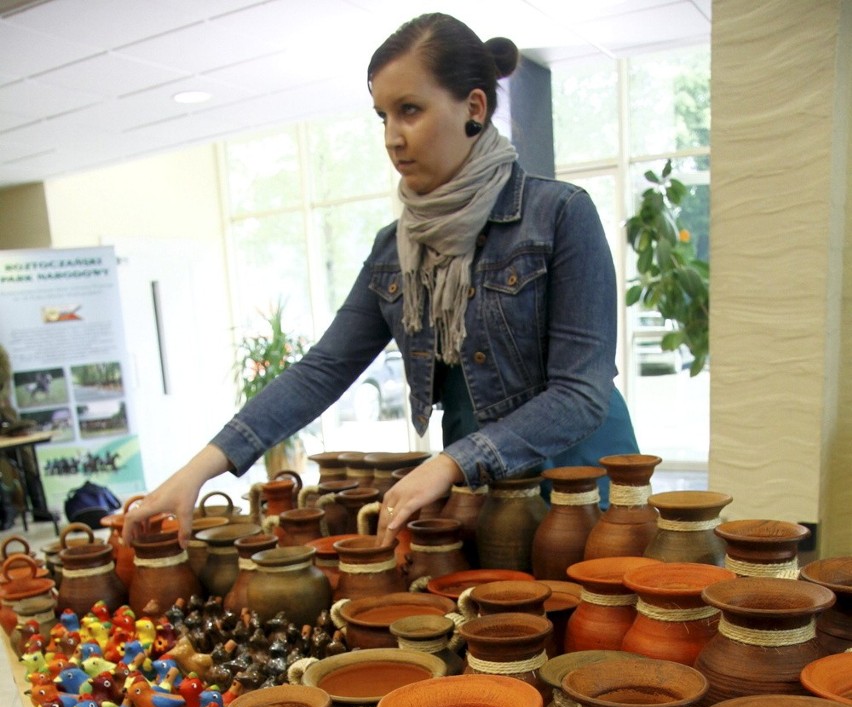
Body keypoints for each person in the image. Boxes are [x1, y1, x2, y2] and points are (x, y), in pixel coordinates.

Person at [124, 12, 638, 549]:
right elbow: (321, 371)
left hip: (581, 486)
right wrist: (198, 470)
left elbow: (581, 395)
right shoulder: (394, 250)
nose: (393, 138)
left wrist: (451, 464)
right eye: (383, 116)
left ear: (474, 108)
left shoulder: (559, 215)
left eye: (410, 111)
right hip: (482, 489)